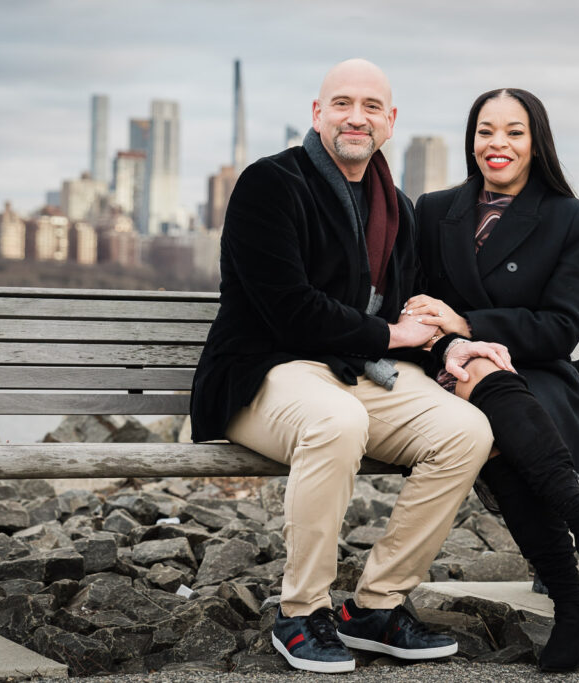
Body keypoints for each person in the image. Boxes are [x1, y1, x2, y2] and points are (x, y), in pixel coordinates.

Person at [190, 59, 509, 674]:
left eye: (370, 107)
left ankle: (376, 605)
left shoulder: (399, 207)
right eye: (341, 103)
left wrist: (449, 348)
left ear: (390, 123)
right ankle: (302, 612)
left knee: (467, 430)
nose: (355, 117)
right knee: (336, 422)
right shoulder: (270, 184)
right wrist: (391, 333)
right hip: (266, 370)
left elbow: (413, 312)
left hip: (361, 371)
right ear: (317, 114)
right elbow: (287, 308)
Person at [406, 87, 579, 672]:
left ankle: (572, 604)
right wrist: (456, 338)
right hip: (446, 368)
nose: (498, 144)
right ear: (471, 140)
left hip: (538, 376)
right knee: (481, 380)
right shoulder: (434, 209)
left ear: (536, 142)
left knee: (502, 435)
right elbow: (413, 303)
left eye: (514, 132)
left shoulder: (568, 216)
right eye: (486, 131)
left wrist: (471, 321)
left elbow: (562, 328)